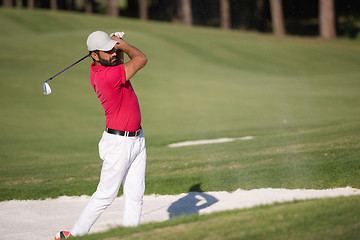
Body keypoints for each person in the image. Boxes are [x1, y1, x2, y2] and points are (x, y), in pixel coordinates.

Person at [55, 30, 148, 239]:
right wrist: (122, 44)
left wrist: (115, 47)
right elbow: (141, 59)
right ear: (94, 55)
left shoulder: (102, 69)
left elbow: (119, 63)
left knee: (135, 195)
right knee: (106, 195)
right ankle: (75, 235)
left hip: (136, 139)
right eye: (108, 51)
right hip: (119, 144)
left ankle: (130, 236)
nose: (113, 53)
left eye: (112, 48)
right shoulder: (107, 76)